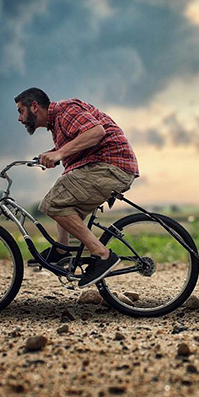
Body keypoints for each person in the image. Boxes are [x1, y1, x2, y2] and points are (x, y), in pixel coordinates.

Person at [14, 87, 139, 288]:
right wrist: (49, 155)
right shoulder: (56, 125)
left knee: (53, 202)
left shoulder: (65, 110)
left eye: (21, 111)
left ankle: (102, 255)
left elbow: (96, 132)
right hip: (103, 167)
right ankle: (62, 251)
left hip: (110, 166)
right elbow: (77, 143)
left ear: (34, 107)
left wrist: (59, 153)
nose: (19, 118)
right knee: (62, 195)